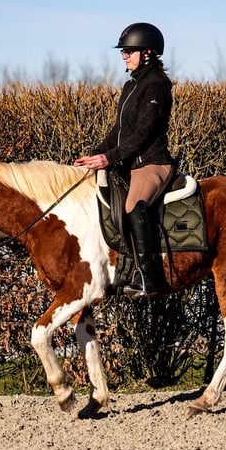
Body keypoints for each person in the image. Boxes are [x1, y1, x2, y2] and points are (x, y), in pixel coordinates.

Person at [75, 22, 176, 297]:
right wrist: (96, 155)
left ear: (148, 52)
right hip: (131, 164)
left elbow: (143, 133)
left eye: (129, 50)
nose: (124, 55)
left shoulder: (155, 86)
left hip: (152, 163)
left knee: (134, 206)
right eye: (123, 51)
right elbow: (120, 131)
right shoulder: (132, 85)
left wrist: (110, 158)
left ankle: (149, 279)